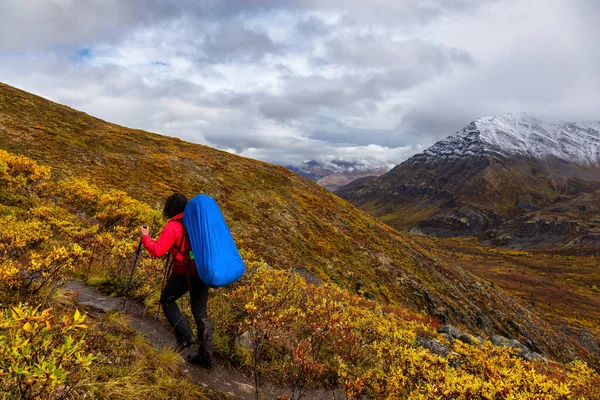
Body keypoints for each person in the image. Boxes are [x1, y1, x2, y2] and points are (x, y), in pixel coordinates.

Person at [139, 193, 214, 368]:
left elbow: (157, 250)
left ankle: (186, 338)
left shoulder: (174, 226)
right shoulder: (196, 223)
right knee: (201, 313)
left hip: (183, 272)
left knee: (167, 299)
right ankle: (206, 357)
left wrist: (145, 236)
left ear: (170, 208)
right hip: (202, 272)